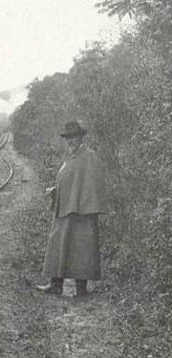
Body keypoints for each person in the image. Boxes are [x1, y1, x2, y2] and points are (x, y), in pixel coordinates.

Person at [37, 121, 108, 297]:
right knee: (58, 244)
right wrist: (56, 190)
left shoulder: (89, 157)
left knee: (82, 248)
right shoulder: (72, 157)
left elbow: (94, 184)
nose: (70, 141)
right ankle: (55, 285)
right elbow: (70, 181)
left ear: (81, 137)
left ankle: (81, 290)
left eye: (74, 137)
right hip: (65, 209)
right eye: (68, 138)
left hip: (82, 212)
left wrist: (86, 204)